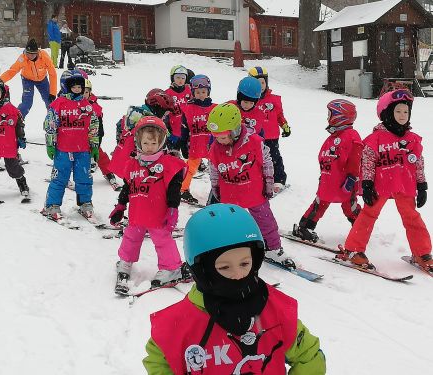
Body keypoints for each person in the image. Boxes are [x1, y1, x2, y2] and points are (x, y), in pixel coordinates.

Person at [143, 203, 326, 374]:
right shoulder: (180, 323)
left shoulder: (275, 310)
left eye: (245, 263)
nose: (238, 274)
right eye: (224, 267)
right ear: (202, 271)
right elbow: (160, 360)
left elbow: (309, 357)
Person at [340, 89, 432, 272]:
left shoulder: (413, 139)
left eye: (406, 111)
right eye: (398, 111)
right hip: (379, 185)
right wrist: (366, 185)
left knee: (412, 217)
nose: (402, 115)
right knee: (368, 215)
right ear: (387, 113)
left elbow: (418, 163)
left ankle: (422, 253)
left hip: (405, 185)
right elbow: (367, 162)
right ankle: (353, 249)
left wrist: (422, 186)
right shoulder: (376, 139)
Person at [207, 103, 294, 267]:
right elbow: (213, 170)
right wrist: (215, 188)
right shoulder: (216, 148)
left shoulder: (254, 142)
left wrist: (269, 184)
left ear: (234, 131)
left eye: (223, 137)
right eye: (216, 136)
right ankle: (230, 248)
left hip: (253, 191)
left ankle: (273, 248)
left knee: (266, 221)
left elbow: (267, 162)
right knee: (229, 223)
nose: (219, 140)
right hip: (230, 195)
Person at [109, 116, 187, 293]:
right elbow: (128, 187)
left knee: (163, 241)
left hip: (158, 215)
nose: (149, 147)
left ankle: (171, 268)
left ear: (161, 142)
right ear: (138, 142)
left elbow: (174, 188)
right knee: (130, 239)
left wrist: (173, 208)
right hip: (137, 215)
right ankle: (125, 263)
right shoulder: (133, 164)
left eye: (154, 143)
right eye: (146, 143)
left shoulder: (168, 163)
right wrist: (121, 206)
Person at [292, 99, 363, 242]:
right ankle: (304, 228)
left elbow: (355, 157)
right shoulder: (333, 137)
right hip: (329, 180)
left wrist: (351, 178)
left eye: (330, 114)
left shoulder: (351, 135)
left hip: (343, 182)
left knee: (348, 206)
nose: (327, 117)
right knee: (320, 204)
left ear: (339, 116)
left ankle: (361, 229)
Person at [41, 71, 100, 219]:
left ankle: (85, 203)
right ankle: (52, 205)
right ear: (67, 87)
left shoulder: (87, 106)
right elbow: (50, 125)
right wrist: (50, 144)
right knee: (59, 178)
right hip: (63, 149)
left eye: (79, 87)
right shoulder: (59, 104)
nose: (77, 90)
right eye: (73, 87)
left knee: (84, 178)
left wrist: (94, 145)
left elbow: (93, 126)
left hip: (83, 150)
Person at [108, 88, 178, 179]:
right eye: (165, 113)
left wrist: (121, 145)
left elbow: (119, 126)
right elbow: (162, 143)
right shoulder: (150, 124)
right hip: (137, 166)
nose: (165, 116)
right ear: (158, 107)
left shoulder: (133, 115)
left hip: (122, 160)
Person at [249, 67, 290, 192]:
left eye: (263, 82)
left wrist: (285, 126)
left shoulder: (274, 99)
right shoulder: (249, 100)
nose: (261, 86)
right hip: (255, 136)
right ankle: (260, 179)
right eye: (257, 83)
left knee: (274, 158)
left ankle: (279, 179)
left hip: (271, 136)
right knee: (256, 160)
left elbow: (279, 116)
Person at [179, 74, 216, 205]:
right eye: (198, 92)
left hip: (213, 145)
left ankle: (220, 191)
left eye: (204, 92)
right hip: (196, 144)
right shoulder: (189, 109)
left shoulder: (215, 108)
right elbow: (184, 127)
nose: (201, 94)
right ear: (193, 93)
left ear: (208, 92)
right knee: (190, 168)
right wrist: (183, 142)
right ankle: (183, 189)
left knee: (217, 169)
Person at [0, 38, 57, 119]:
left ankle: (53, 120)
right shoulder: (22, 58)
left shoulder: (44, 56)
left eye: (32, 54)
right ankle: (17, 119)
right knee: (27, 102)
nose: (29, 56)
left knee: (49, 100)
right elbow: (12, 71)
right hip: (27, 80)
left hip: (42, 80)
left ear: (37, 53)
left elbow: (53, 74)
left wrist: (53, 92)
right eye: (28, 54)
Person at [83, 79, 120, 190]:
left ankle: (108, 173)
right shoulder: (73, 104)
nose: (83, 95)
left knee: (99, 155)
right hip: (76, 137)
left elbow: (99, 126)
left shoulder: (94, 106)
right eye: (81, 92)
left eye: (86, 92)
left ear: (90, 92)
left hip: (92, 136)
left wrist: (98, 138)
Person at [165, 65, 192, 152]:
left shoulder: (190, 91)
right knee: (173, 154)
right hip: (174, 131)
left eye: (183, 78)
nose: (180, 80)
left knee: (189, 155)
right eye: (177, 77)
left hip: (187, 131)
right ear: (172, 78)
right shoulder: (167, 93)